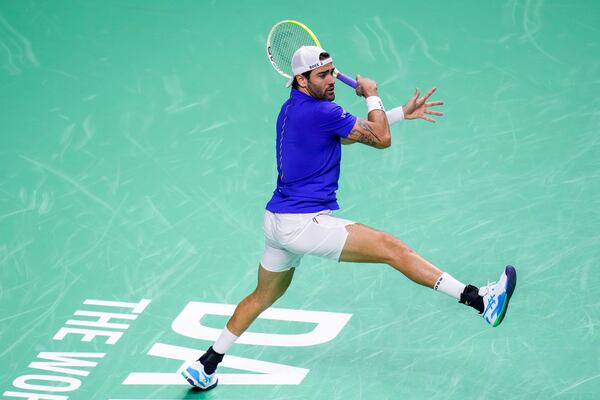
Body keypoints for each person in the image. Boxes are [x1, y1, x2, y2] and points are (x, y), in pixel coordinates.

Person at [182, 46, 517, 391]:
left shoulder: (293, 109)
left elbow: (350, 134)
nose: (331, 81)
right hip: (304, 224)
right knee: (392, 249)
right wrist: (372, 95)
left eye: (332, 72)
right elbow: (380, 138)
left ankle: (206, 363)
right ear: (301, 79)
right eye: (322, 75)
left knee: (262, 296)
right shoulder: (323, 111)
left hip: (277, 222)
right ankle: (480, 301)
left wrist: (399, 112)